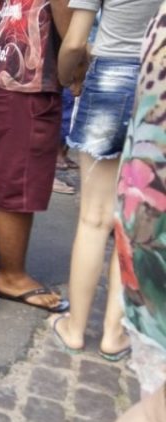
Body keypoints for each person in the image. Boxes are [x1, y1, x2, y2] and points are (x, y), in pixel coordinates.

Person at [50, 0, 161, 359]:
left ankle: (75, 328)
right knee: (125, 220)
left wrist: (68, 77)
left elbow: (73, 43)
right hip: (155, 84)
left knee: (93, 218)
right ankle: (114, 335)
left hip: (110, 77)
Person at [0, 0, 73, 311]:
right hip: (24, 84)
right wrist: (76, 74)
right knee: (19, 181)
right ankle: (12, 275)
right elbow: (71, 36)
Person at [103, 3, 166, 422]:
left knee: (154, 416)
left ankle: (108, 332)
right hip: (148, 212)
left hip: (146, 205)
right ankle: (110, 333)